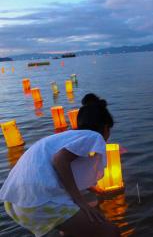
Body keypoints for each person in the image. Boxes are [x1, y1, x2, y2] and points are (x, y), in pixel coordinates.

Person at [0, 93, 120, 237]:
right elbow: (60, 160)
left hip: (18, 201)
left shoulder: (66, 137)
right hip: (39, 201)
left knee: (71, 231)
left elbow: (60, 168)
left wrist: (94, 189)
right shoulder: (94, 136)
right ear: (106, 128)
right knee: (111, 232)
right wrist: (80, 201)